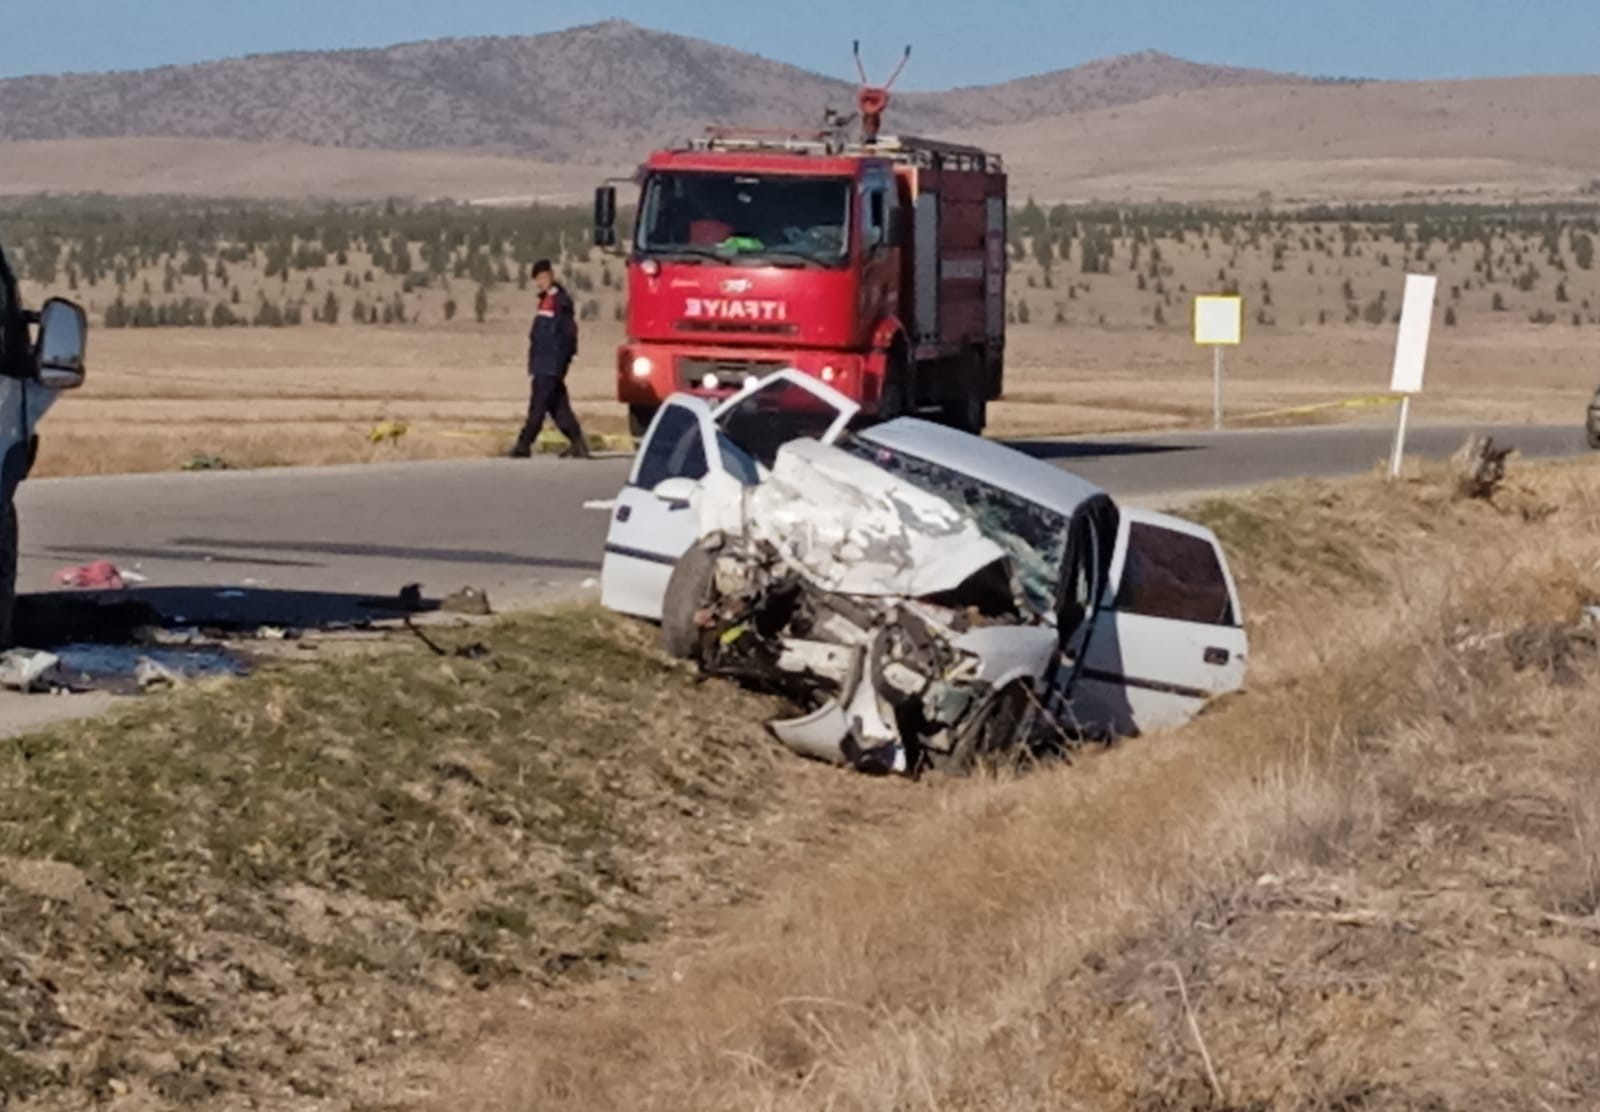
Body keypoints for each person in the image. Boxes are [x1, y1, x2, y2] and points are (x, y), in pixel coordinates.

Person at [510, 259, 590, 459]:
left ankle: (523, 444)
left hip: (550, 364)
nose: (540, 282)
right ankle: (577, 443)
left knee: (538, 405)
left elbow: (568, 335)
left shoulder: (560, 302)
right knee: (557, 406)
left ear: (550, 276)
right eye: (537, 279)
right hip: (543, 363)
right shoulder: (546, 301)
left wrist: (561, 362)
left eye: (543, 278)